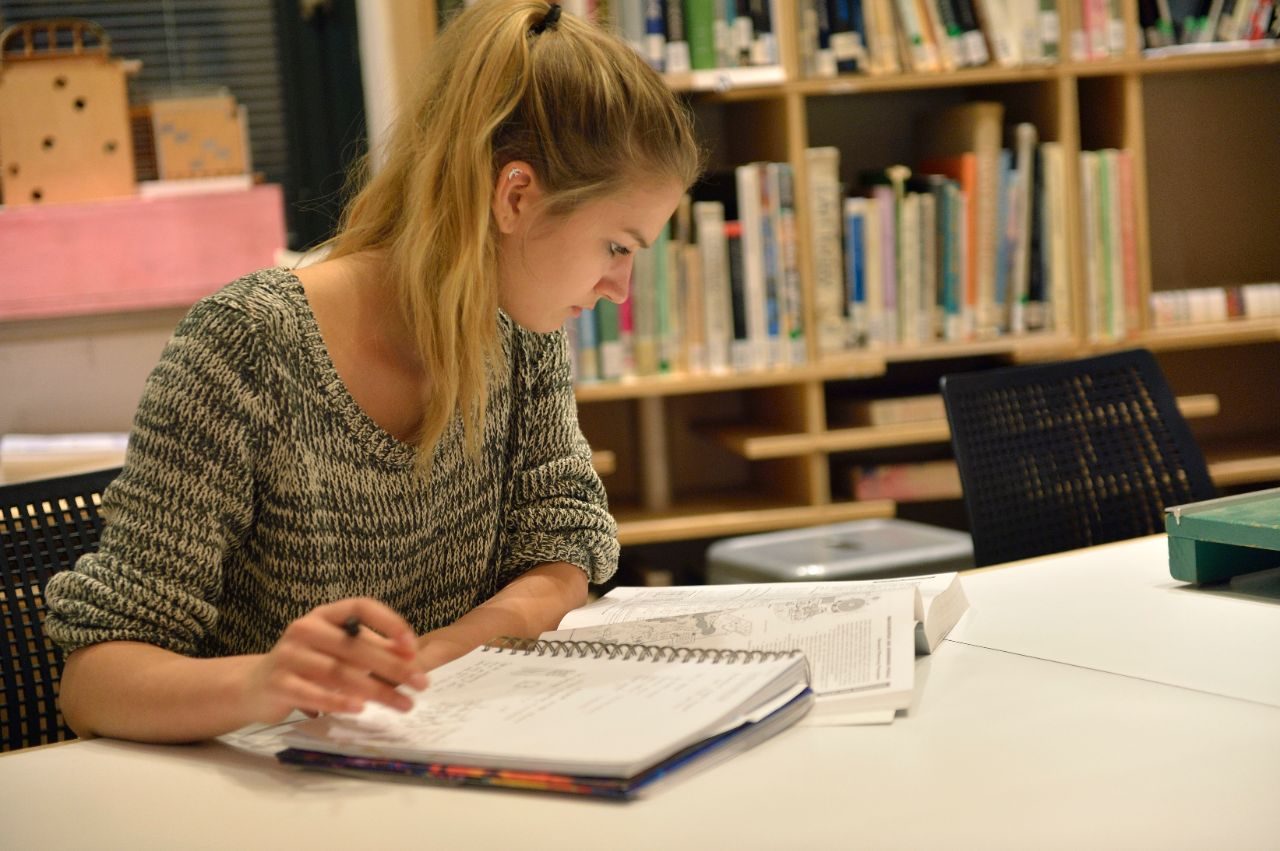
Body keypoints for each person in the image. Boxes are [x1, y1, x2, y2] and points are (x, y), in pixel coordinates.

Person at [44, 0, 701, 743]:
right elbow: (92, 681)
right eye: (617, 246)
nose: (621, 289)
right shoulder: (248, 346)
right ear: (515, 197)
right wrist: (264, 680)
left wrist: (446, 649)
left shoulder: (522, 329)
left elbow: (561, 547)